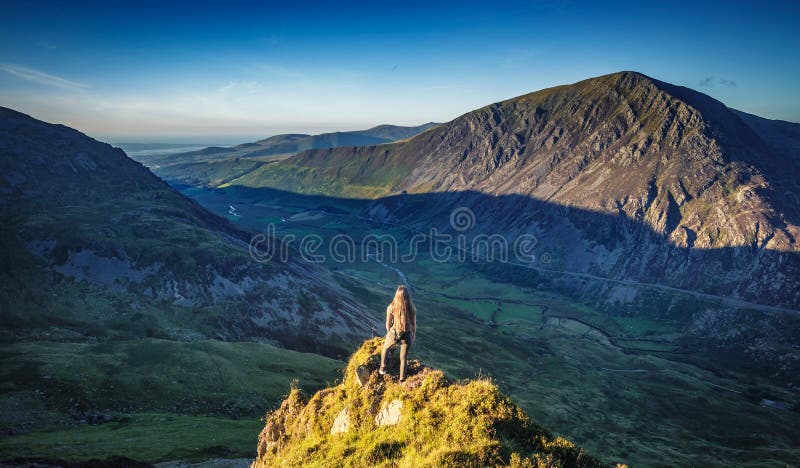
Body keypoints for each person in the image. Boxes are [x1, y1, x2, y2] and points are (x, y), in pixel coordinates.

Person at [379, 285, 417, 382]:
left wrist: (390, 335)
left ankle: (382, 368)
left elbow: (387, 324)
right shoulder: (412, 309)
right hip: (407, 334)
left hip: (394, 333)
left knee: (385, 348)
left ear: (396, 295)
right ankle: (402, 379)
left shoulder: (391, 307)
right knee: (403, 358)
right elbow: (413, 324)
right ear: (407, 296)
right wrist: (413, 335)